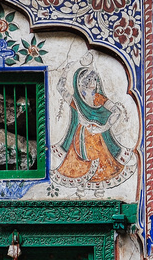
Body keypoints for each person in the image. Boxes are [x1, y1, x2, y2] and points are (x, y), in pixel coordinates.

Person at [53, 66, 132, 195]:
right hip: (80, 137)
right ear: (81, 83)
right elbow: (60, 88)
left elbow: (116, 111)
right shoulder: (76, 101)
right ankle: (80, 188)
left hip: (97, 137)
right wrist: (66, 70)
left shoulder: (98, 98)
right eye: (89, 80)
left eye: (94, 79)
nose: (92, 83)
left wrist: (104, 127)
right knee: (79, 161)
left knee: (102, 162)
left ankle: (99, 190)